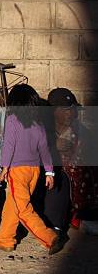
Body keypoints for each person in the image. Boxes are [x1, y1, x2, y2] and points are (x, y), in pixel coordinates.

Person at [0, 84, 64, 254]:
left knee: (23, 209)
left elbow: (9, 146)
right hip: (34, 171)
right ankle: (5, 240)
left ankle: (50, 238)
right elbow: (45, 150)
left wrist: (4, 168)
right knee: (13, 206)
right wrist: (49, 172)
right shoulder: (38, 124)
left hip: (17, 171)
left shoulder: (12, 120)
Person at [44, 88, 98, 236]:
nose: (71, 113)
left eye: (73, 109)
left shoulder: (79, 130)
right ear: (54, 111)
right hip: (53, 180)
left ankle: (83, 216)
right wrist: (54, 145)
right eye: (66, 109)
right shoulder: (44, 130)